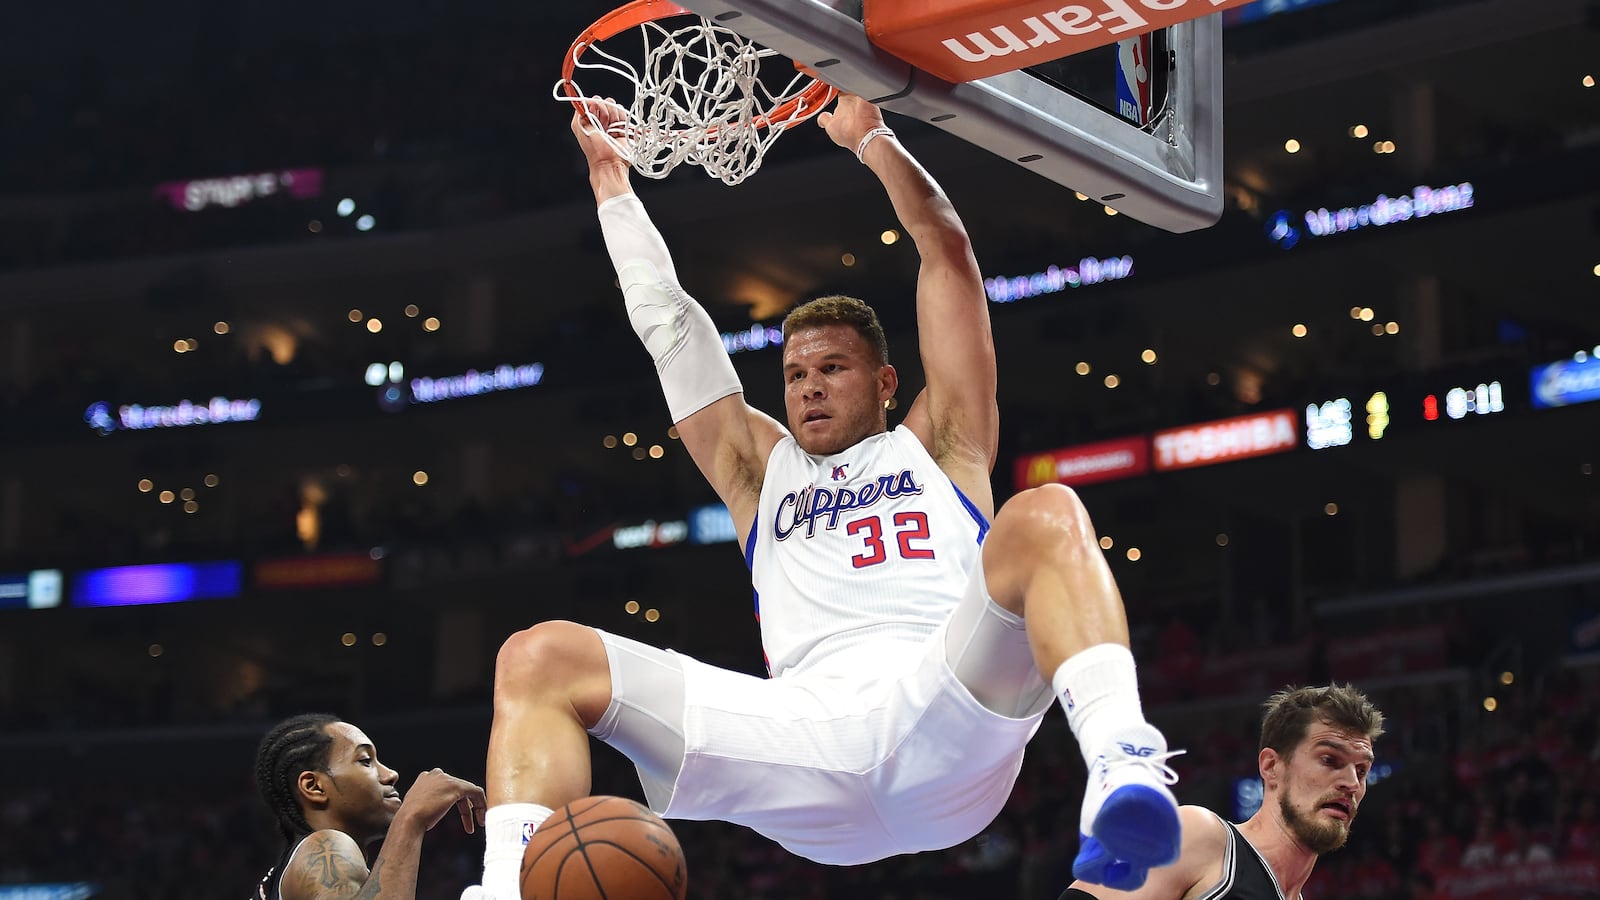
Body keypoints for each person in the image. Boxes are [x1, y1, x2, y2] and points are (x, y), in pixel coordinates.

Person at [464, 94, 1181, 899]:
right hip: (799, 734)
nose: (809, 388)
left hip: (941, 705)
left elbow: (946, 253)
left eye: (832, 369)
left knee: (1046, 513)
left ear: (883, 382)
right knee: (536, 656)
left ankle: (1124, 762)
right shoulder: (756, 472)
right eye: (796, 374)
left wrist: (872, 138)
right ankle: (500, 888)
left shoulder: (942, 440)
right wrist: (609, 179)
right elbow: (669, 323)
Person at [1060, 683, 1386, 900]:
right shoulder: (1201, 837)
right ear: (1272, 767)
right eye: (1330, 760)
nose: (1352, 783)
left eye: (1361, 770)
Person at [253, 713, 487, 899]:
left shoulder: (294, 869)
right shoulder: (326, 845)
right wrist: (410, 819)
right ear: (314, 786)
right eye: (366, 761)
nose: (391, 774)